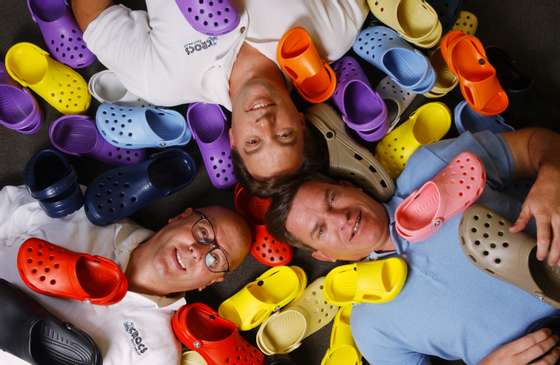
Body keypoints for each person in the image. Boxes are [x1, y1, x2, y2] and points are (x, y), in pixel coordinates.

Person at [265, 127, 560, 365]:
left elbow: (539, 144)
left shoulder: (433, 165)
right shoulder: (370, 327)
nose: (339, 218)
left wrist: (552, 178)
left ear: (350, 186)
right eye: (321, 229)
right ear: (324, 255)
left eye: (331, 198)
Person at [70, 0, 368, 189]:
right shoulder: (331, 35)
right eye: (285, 135)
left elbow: (95, 19)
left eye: (253, 142)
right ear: (300, 122)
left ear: (233, 138)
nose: (265, 124)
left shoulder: (163, 81)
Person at [0, 184, 251, 365]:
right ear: (180, 217)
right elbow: (8, 206)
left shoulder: (158, 355)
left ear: (209, 282)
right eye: (203, 233)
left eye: (215, 258)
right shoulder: (89, 211)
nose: (198, 251)